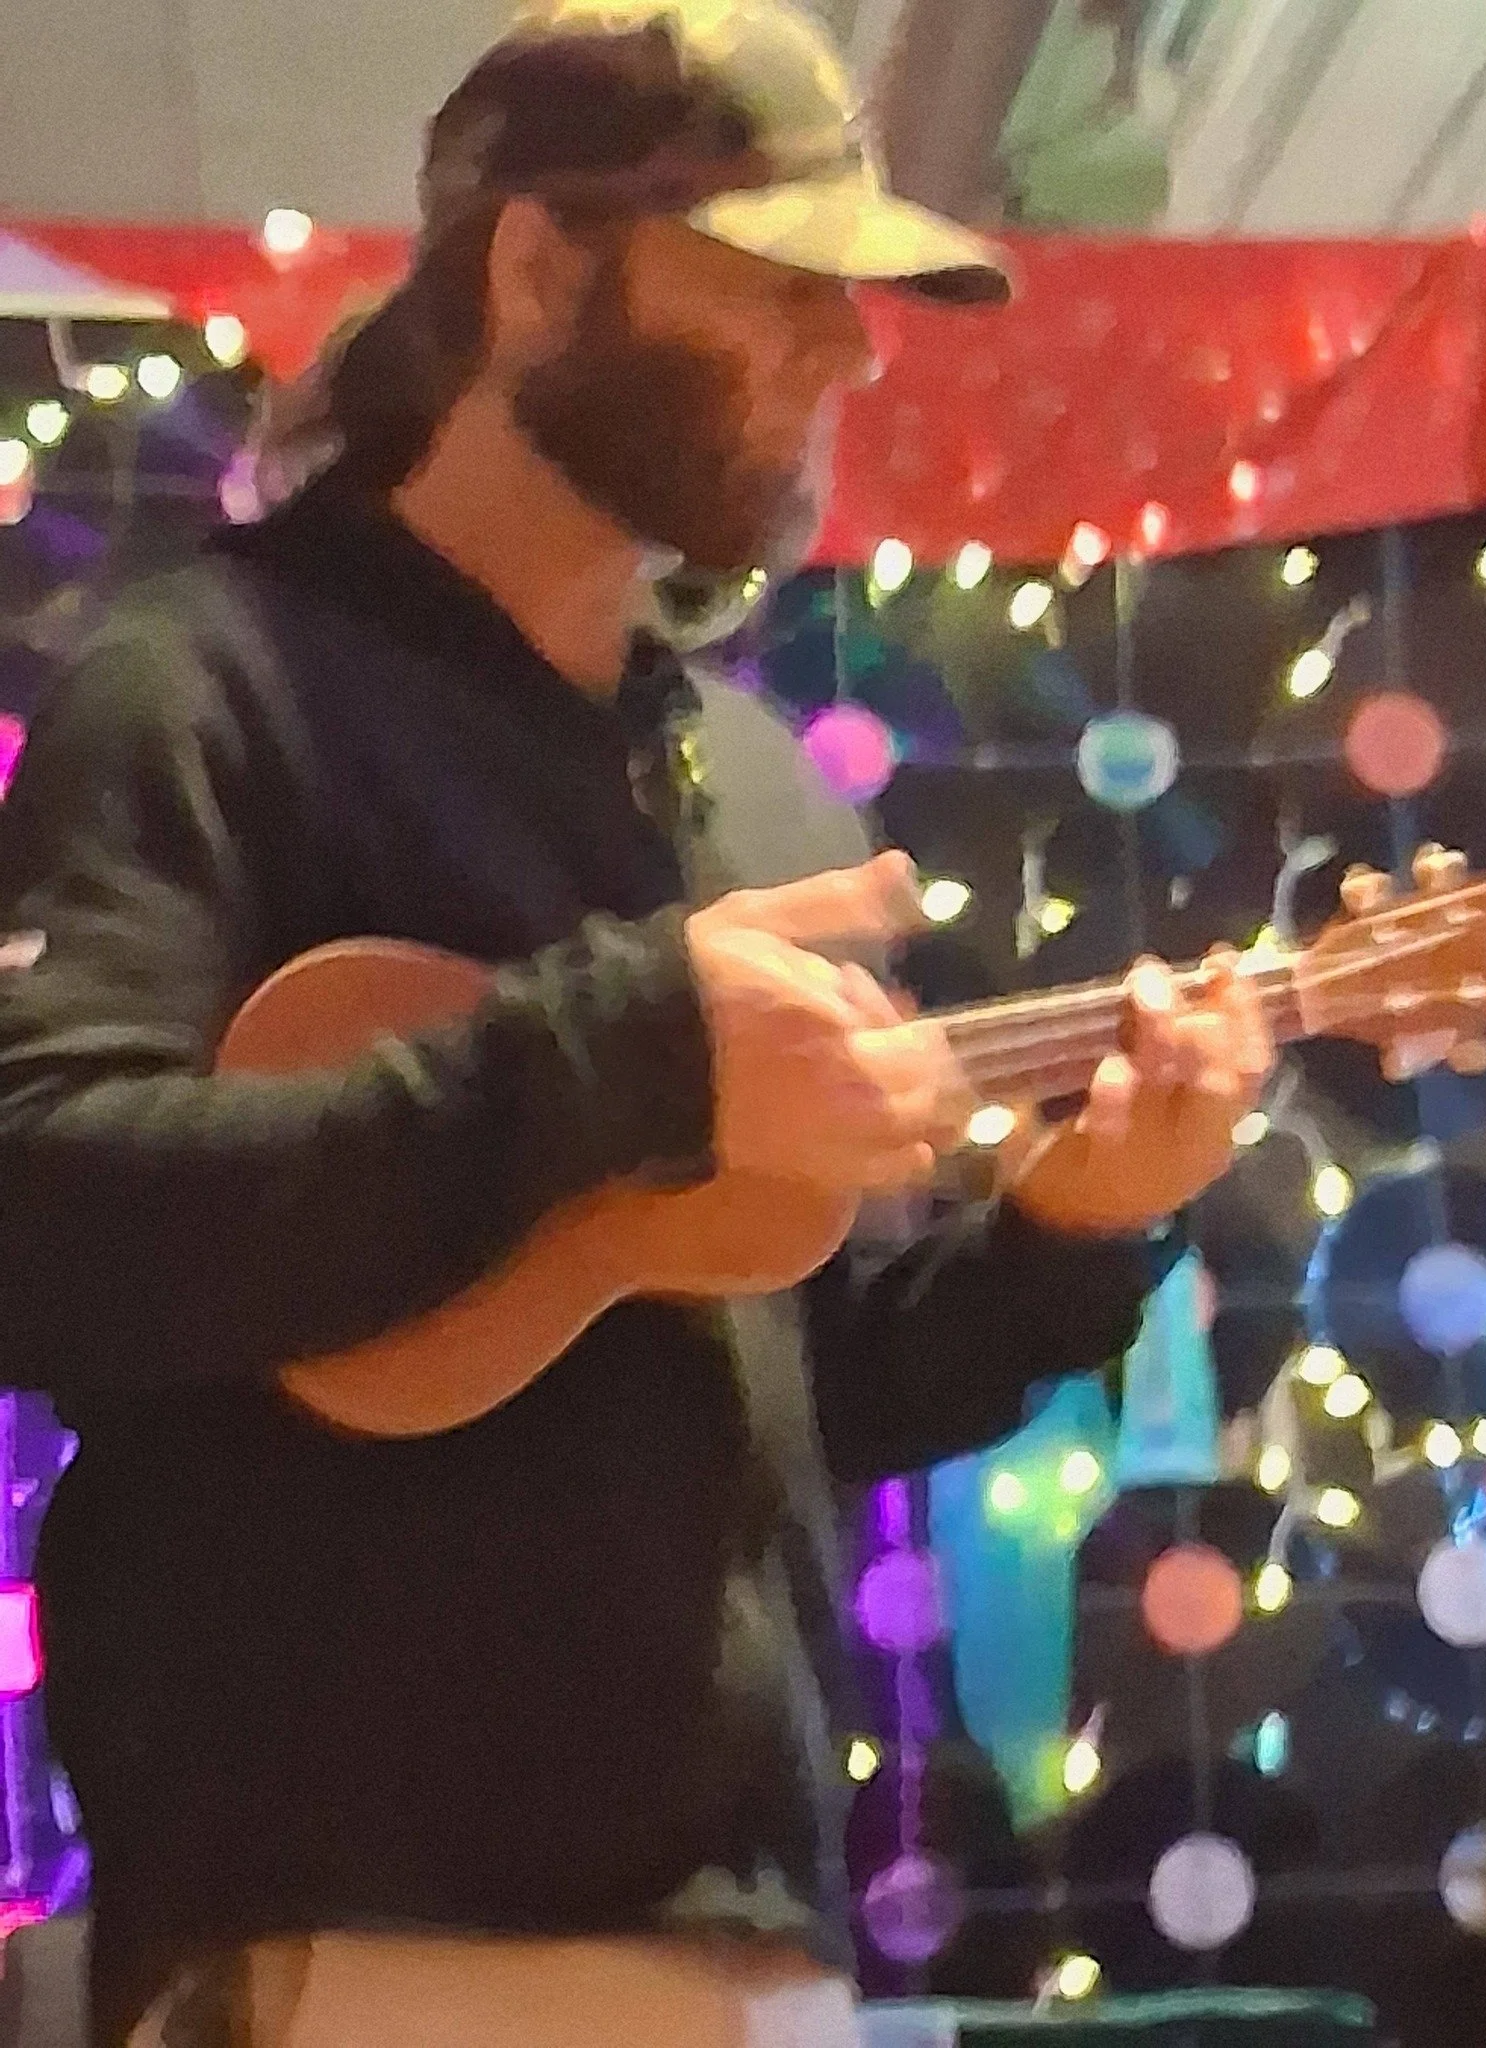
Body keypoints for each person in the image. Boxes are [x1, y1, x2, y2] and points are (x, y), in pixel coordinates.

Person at [0, 2, 1269, 2041]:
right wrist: (631, 1041)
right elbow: (42, 1219)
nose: (851, 351)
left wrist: (1069, 1229)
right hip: (372, 1936)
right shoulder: (206, 685)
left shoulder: (761, 792)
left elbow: (793, 1390)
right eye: (776, 280)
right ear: (534, 268)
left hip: (757, 1951)